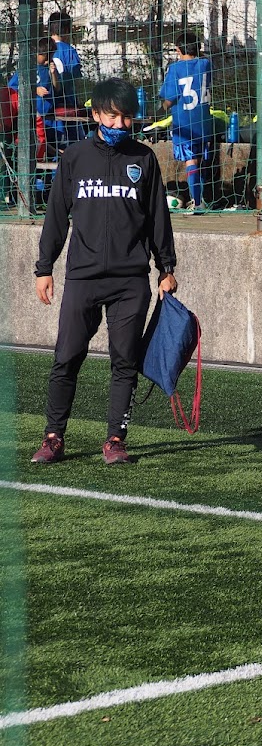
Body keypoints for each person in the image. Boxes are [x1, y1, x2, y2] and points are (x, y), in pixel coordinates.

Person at [31, 77, 178, 466]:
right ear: (96, 114)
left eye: (126, 117)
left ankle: (115, 439)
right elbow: (56, 217)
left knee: (124, 360)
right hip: (83, 276)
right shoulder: (75, 157)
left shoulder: (144, 159)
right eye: (112, 116)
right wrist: (44, 268)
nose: (119, 124)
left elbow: (158, 218)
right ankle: (53, 437)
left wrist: (166, 267)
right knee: (67, 357)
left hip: (131, 281)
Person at [158, 31, 216, 211]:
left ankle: (197, 203)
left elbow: (170, 97)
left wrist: (160, 110)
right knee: (199, 161)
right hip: (203, 124)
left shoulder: (175, 69)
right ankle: (200, 199)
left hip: (185, 124)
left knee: (191, 162)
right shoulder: (206, 64)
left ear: (178, 50)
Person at [7, 37, 60, 160]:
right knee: (35, 148)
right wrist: (34, 89)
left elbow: (57, 88)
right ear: (37, 53)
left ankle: (50, 171)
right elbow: (12, 87)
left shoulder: (50, 67)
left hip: (48, 116)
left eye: (50, 56)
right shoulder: (27, 68)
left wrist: (53, 74)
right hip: (32, 117)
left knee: (52, 147)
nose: (47, 60)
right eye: (45, 57)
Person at [47, 11, 84, 114]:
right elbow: (76, 79)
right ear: (67, 30)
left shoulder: (41, 49)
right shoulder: (69, 50)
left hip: (46, 104)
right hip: (67, 104)